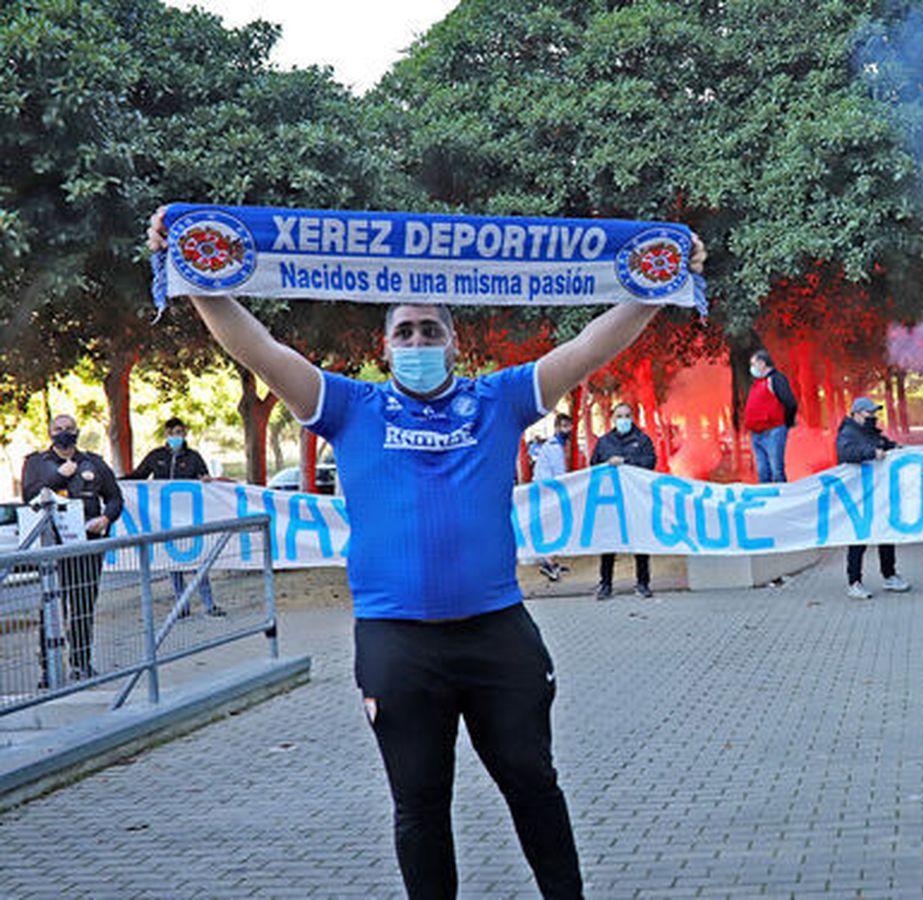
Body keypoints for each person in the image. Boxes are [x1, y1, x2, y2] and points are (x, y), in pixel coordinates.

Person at [149, 206, 704, 900]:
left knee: (533, 785)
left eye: (430, 329)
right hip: (396, 644)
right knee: (420, 807)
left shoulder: (500, 399)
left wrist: (657, 280)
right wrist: (198, 274)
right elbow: (256, 347)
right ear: (386, 349)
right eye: (404, 331)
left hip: (498, 635)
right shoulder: (349, 407)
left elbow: (592, 345)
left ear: (453, 342)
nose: (418, 339)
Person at [21, 414, 124, 683]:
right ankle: (49, 669)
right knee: (52, 609)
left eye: (69, 429)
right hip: (52, 548)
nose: (64, 433)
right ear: (50, 432)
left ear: (77, 432)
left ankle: (81, 663)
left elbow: (114, 498)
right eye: (58, 429)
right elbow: (29, 496)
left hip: (86, 547)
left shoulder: (94, 463)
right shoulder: (36, 464)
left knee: (83, 605)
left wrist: (106, 518)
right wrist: (57, 476)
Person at [128, 416, 223, 617]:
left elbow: (204, 478)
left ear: (185, 433)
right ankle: (182, 606)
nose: (175, 437)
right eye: (171, 433)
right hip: (164, 519)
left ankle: (209, 604)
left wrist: (206, 480)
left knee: (197, 561)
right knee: (174, 564)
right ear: (166, 435)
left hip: (189, 519)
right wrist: (116, 482)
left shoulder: (194, 457)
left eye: (179, 433)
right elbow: (138, 476)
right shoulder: (155, 456)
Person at [834, 397, 911, 600]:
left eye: (874, 413)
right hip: (859, 497)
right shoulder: (848, 433)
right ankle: (854, 582)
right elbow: (846, 452)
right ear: (857, 414)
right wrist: (871, 453)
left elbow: (883, 444)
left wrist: (895, 448)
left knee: (886, 533)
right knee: (859, 539)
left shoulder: (870, 433)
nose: (873, 417)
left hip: (877, 494)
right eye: (869, 413)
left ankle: (889, 575)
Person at [590, 403, 656, 600]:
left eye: (627, 415)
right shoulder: (604, 442)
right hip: (611, 502)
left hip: (636, 500)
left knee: (640, 542)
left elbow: (650, 462)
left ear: (633, 417)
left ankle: (643, 583)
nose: (624, 419)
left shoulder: (643, 440)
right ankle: (606, 584)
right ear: (613, 418)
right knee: (608, 542)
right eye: (620, 416)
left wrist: (626, 462)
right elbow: (594, 466)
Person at [744, 349, 798, 483]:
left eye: (753, 364)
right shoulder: (757, 383)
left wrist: (786, 423)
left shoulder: (776, 379)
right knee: (763, 472)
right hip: (757, 433)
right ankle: (768, 501)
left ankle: (783, 500)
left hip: (773, 431)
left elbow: (790, 403)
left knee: (776, 471)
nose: (752, 368)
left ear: (762, 363)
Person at [531, 414, 574, 582]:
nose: (566, 430)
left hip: (547, 491)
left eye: (568, 426)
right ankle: (547, 563)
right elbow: (559, 474)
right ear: (556, 428)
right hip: (549, 493)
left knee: (554, 526)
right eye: (563, 426)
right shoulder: (555, 447)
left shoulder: (557, 445)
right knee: (554, 527)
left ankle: (551, 561)